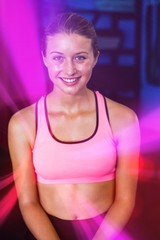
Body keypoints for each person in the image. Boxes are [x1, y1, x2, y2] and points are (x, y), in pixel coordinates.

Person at [8, 12, 140, 240]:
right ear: (44, 58)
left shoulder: (123, 119)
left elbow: (125, 199)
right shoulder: (23, 124)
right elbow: (28, 202)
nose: (69, 70)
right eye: (58, 57)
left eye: (80, 58)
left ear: (95, 57)